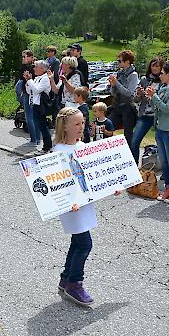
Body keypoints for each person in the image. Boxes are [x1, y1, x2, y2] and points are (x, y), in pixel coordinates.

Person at [53, 106, 118, 307]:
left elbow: (94, 174)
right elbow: (57, 182)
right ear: (65, 127)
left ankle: (66, 278)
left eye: (83, 123)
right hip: (72, 205)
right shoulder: (59, 151)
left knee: (77, 241)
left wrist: (111, 185)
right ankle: (75, 282)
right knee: (85, 244)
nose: (82, 127)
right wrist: (67, 201)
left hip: (84, 202)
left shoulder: (82, 147)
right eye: (77, 124)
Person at [145, 62, 169, 203]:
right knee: (164, 162)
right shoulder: (164, 87)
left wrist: (154, 96)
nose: (160, 75)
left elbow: (167, 108)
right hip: (161, 129)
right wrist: (150, 97)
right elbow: (157, 107)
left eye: (162, 73)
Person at [132, 57, 164, 162]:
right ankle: (135, 166)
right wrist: (139, 94)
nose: (154, 68)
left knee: (162, 144)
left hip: (158, 116)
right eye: (153, 66)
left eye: (157, 66)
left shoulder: (164, 81)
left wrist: (153, 95)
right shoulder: (144, 80)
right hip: (145, 115)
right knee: (134, 141)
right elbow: (136, 99)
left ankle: (163, 168)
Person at [109, 50, 139, 159]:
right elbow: (113, 92)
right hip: (117, 105)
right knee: (109, 125)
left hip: (128, 107)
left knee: (128, 134)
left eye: (120, 61)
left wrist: (116, 82)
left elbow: (129, 93)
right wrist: (112, 85)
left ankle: (130, 157)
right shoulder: (119, 73)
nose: (118, 63)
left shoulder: (133, 75)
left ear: (128, 62)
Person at [24, 60, 53, 152]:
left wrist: (29, 80)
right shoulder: (37, 78)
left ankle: (47, 147)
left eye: (36, 66)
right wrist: (28, 81)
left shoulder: (45, 78)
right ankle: (45, 145)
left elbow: (37, 90)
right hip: (35, 104)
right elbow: (30, 91)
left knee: (43, 126)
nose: (34, 68)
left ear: (42, 68)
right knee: (40, 126)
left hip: (41, 105)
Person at [19, 50, 39, 145]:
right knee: (32, 117)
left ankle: (34, 140)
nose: (23, 59)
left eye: (25, 57)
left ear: (31, 57)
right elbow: (20, 77)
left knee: (30, 117)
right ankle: (36, 138)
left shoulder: (32, 67)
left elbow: (24, 76)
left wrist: (24, 65)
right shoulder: (27, 67)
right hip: (27, 92)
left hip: (30, 94)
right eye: (22, 57)